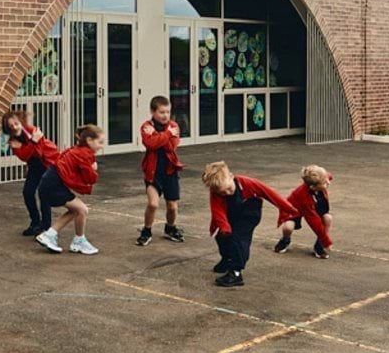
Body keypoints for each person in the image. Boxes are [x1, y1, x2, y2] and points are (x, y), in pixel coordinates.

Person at [202, 160, 292, 288]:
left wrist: (289, 209)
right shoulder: (215, 192)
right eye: (222, 192)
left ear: (232, 177)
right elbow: (217, 211)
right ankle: (227, 259)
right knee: (222, 237)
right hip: (232, 213)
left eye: (228, 189)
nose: (227, 193)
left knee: (239, 239)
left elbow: (271, 194)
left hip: (250, 212)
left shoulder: (248, 183)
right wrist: (224, 227)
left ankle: (236, 272)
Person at [35, 124, 104, 255]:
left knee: (76, 210)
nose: (102, 146)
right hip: (53, 184)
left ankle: (50, 234)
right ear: (89, 140)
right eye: (100, 142)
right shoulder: (84, 154)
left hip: (50, 182)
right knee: (82, 209)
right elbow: (90, 178)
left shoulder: (79, 150)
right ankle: (78, 241)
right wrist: (94, 168)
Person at [136, 95, 184, 247]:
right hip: (153, 173)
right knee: (153, 204)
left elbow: (171, 147)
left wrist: (159, 135)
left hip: (170, 172)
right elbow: (150, 144)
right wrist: (166, 135)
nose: (165, 116)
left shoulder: (174, 126)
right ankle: (146, 231)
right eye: (162, 112)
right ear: (153, 111)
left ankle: (170, 228)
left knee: (172, 206)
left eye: (168, 112)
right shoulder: (146, 126)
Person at [3, 109, 60, 235]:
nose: (14, 127)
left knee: (43, 193)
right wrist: (33, 141)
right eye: (11, 126)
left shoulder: (31, 129)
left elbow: (38, 152)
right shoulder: (13, 141)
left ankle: (45, 226)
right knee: (27, 192)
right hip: (34, 165)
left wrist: (30, 144)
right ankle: (35, 222)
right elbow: (24, 156)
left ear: (20, 121)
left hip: (48, 162)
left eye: (16, 123)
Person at [274, 164, 333, 259]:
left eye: (326, 180)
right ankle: (285, 240)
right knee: (288, 227)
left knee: (328, 218)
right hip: (294, 209)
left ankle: (319, 245)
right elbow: (313, 221)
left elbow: (328, 176)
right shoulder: (303, 196)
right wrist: (326, 240)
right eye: (325, 183)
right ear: (313, 187)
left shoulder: (323, 178)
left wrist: (324, 176)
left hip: (316, 204)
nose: (328, 183)